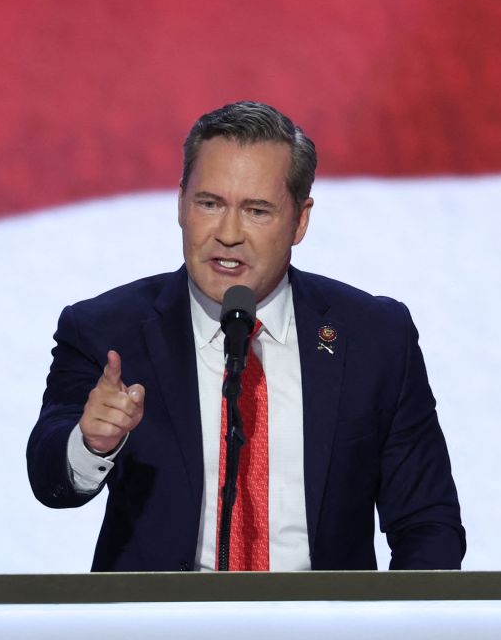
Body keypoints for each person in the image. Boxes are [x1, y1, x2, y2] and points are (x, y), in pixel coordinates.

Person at [26, 101, 464, 572]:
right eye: (210, 204)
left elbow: (427, 524)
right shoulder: (106, 330)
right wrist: (91, 443)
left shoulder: (375, 337)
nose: (228, 233)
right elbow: (50, 479)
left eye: (257, 211)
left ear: (300, 220)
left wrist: (400, 634)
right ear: (180, 203)